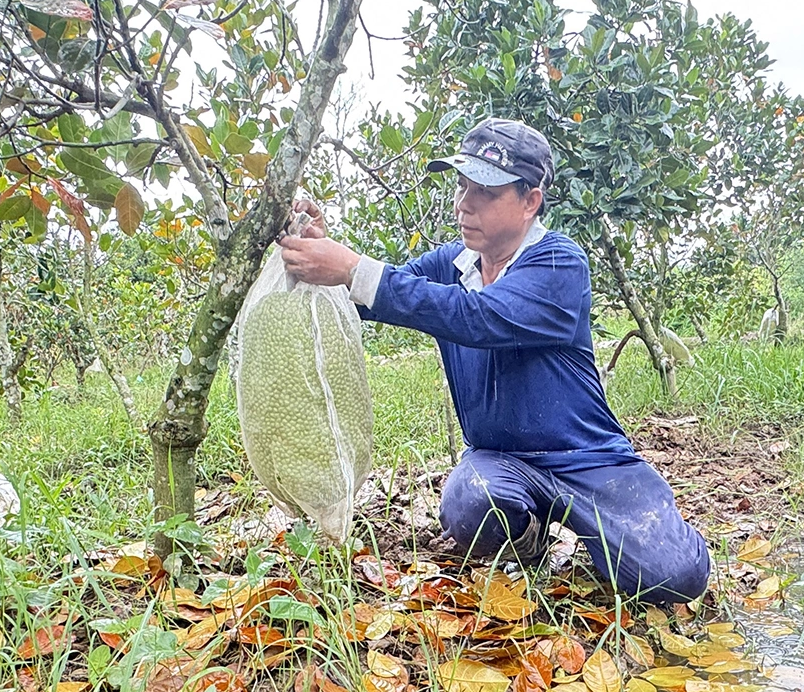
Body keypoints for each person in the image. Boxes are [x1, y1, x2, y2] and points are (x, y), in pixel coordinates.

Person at [276, 117, 711, 605]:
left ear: (530, 200)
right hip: (501, 463)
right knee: (468, 501)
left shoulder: (559, 263)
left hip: (587, 460)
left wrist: (355, 269)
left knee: (675, 575)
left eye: (484, 190)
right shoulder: (451, 264)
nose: (464, 204)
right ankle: (529, 540)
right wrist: (322, 246)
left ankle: (618, 525)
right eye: (462, 186)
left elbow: (478, 317)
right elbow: (381, 293)